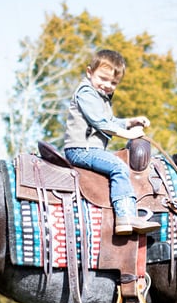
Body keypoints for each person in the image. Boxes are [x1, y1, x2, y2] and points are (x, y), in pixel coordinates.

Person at [64, 49, 160, 235]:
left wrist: (130, 122)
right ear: (89, 72)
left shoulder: (101, 97)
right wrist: (128, 135)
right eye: (103, 78)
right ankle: (125, 217)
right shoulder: (86, 92)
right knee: (118, 167)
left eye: (113, 82)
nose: (107, 85)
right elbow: (100, 123)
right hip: (80, 149)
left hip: (90, 149)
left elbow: (110, 120)